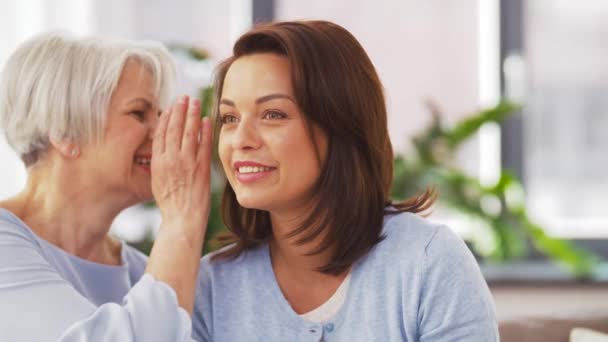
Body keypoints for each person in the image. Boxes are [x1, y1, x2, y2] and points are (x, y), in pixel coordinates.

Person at [192, 20, 498, 341]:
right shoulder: (211, 287)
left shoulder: (428, 261)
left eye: (273, 114)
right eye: (230, 118)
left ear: (340, 124)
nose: (241, 139)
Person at [0, 32, 212, 341]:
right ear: (64, 132)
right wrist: (182, 218)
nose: (161, 133)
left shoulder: (146, 271)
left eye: (161, 115)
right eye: (139, 113)